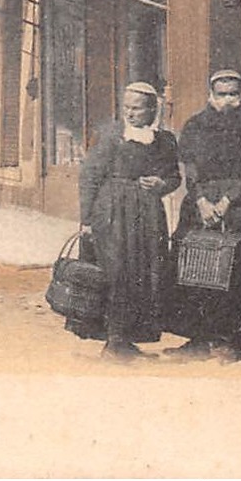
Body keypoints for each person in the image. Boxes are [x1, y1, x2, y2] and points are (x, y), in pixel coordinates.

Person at [167, 70, 241, 361]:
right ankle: (199, 338)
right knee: (193, 265)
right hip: (202, 206)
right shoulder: (195, 126)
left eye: (233, 94)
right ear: (210, 95)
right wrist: (201, 199)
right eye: (221, 94)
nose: (227, 100)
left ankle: (239, 340)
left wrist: (229, 199)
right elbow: (191, 170)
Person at [74, 83, 181, 360]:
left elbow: (174, 178)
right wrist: (86, 219)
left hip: (148, 215)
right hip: (113, 211)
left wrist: (161, 184)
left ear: (152, 110)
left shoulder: (165, 140)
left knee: (145, 274)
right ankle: (113, 341)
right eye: (126, 107)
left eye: (137, 108)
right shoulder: (111, 135)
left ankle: (128, 341)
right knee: (116, 273)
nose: (130, 114)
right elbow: (90, 176)